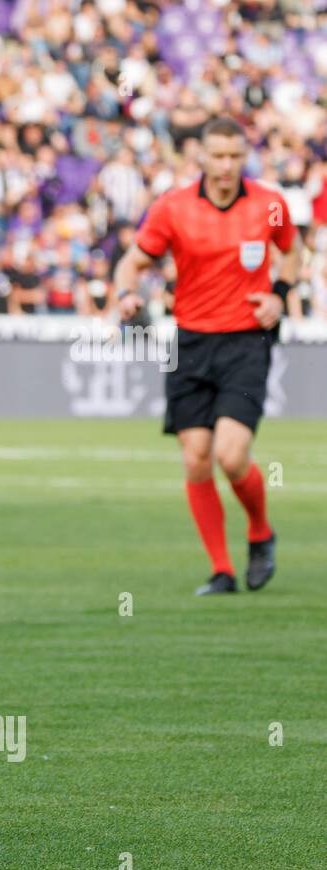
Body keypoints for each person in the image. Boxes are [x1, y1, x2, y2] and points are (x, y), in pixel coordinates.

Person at [114, 116, 300, 595]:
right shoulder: (172, 207)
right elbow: (131, 264)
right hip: (191, 342)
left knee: (231, 456)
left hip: (246, 341)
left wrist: (279, 292)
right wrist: (125, 295)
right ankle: (221, 570)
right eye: (217, 156)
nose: (226, 165)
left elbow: (292, 251)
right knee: (196, 459)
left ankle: (260, 531)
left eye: (235, 156)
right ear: (201, 157)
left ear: (245, 156)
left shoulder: (271, 204)